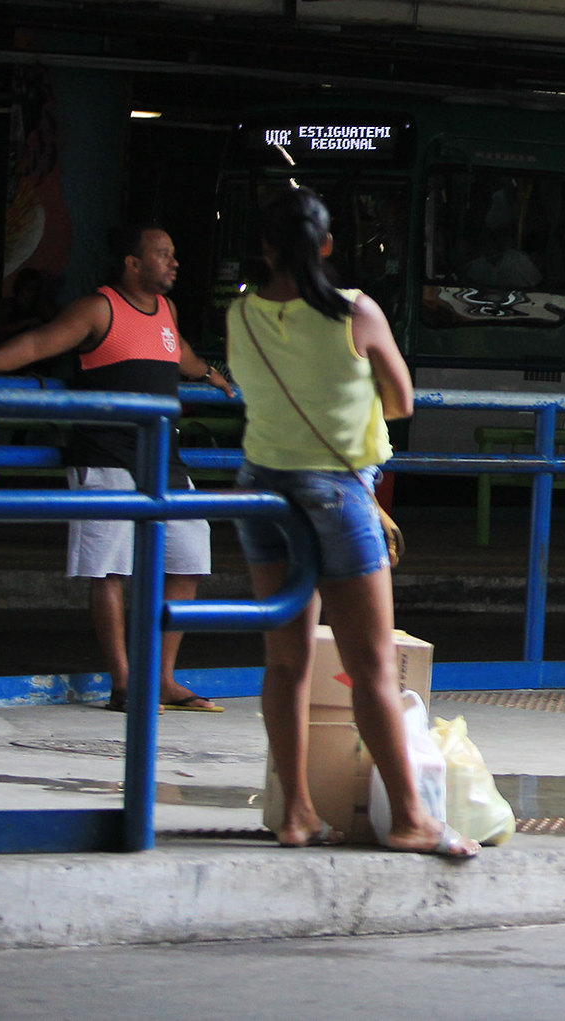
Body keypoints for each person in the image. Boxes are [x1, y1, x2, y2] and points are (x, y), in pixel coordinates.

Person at [227, 186, 477, 857]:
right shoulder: (354, 311)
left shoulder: (242, 313)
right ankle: (411, 820)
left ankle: (298, 814)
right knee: (372, 669)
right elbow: (400, 401)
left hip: (259, 490)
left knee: (286, 661)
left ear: (268, 247)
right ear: (328, 244)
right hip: (336, 490)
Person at [0, 224, 234, 713]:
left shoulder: (167, 310)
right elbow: (35, 346)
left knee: (190, 556)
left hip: (163, 454)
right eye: (162, 254)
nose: (174, 262)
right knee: (110, 568)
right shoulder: (98, 308)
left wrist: (209, 374)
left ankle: (160, 678)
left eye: (173, 253)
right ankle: (124, 683)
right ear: (132, 264)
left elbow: (177, 353)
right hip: (105, 453)